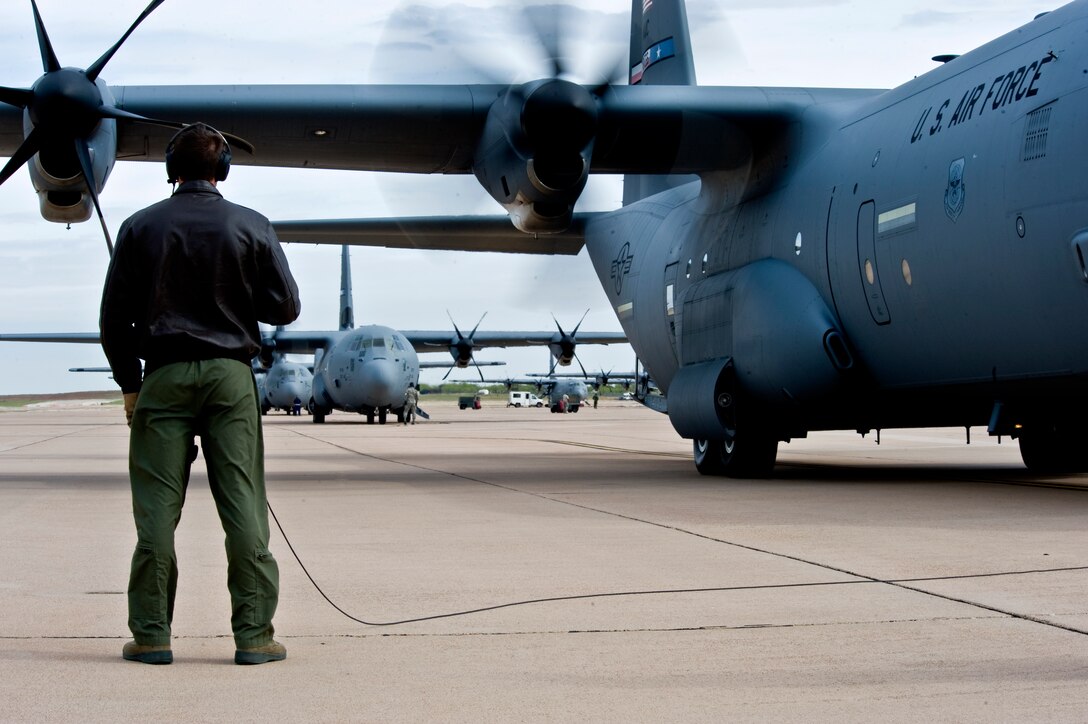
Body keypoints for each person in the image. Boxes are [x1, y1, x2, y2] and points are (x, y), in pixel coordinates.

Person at [100, 123, 301, 666]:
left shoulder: (139, 227)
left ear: (172, 170)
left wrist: (128, 384)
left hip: (162, 375)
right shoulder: (251, 225)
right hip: (230, 378)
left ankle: (151, 636)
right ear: (224, 168)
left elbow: (114, 318)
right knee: (243, 507)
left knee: (157, 514)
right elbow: (285, 308)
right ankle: (255, 637)